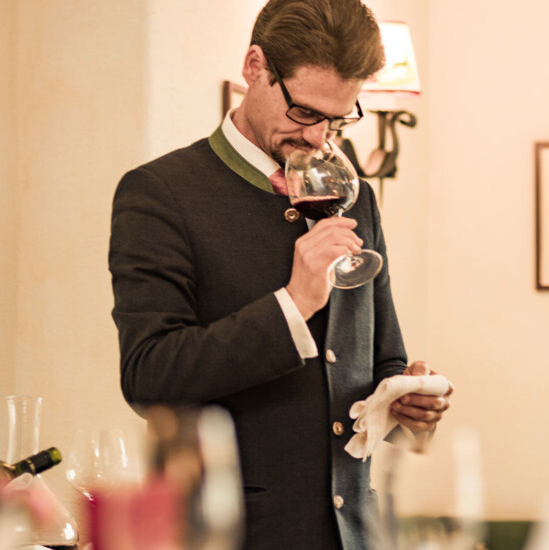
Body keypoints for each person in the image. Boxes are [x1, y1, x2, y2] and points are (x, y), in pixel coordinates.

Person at [108, 1, 452, 548]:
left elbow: (381, 356)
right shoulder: (161, 193)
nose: (319, 138)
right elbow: (149, 377)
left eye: (338, 120)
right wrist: (292, 303)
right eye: (305, 113)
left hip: (358, 535)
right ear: (254, 66)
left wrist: (407, 403)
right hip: (230, 535)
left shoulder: (354, 193)